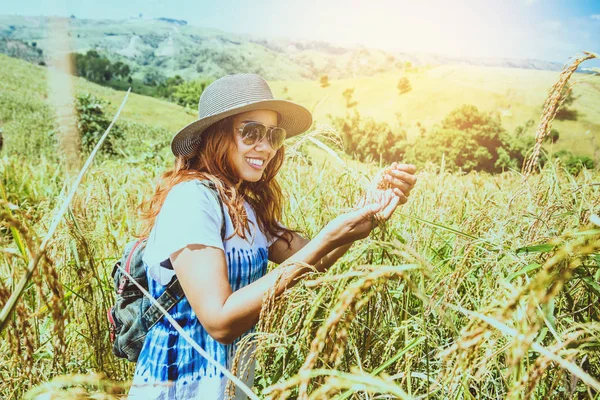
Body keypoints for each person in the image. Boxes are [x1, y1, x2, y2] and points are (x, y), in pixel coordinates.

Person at [128, 73, 417, 399]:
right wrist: (328, 236)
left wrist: (364, 214)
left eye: (273, 135)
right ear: (216, 136)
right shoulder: (192, 199)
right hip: (178, 389)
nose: (264, 147)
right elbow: (219, 321)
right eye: (250, 133)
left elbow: (313, 260)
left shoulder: (245, 207)